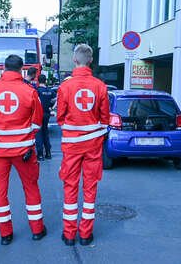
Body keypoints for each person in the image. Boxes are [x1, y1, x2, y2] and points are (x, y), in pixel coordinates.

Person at [0, 55, 47, 245]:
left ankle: (5, 235)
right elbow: (37, 123)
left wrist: (3, 135)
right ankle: (37, 230)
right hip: (24, 152)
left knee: (0, 191)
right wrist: (24, 137)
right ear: (21, 69)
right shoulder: (29, 91)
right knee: (31, 188)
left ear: (4, 68)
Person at [56, 44, 110, 246]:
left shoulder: (65, 86)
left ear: (75, 60)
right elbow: (105, 119)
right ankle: (86, 235)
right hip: (93, 146)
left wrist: (74, 129)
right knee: (90, 188)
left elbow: (60, 117)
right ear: (91, 61)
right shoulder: (100, 86)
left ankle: (69, 235)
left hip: (71, 146)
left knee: (70, 187)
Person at [35, 74, 56, 161]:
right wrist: (52, 107)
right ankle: (48, 153)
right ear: (45, 81)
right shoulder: (50, 91)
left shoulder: (37, 91)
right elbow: (56, 99)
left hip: (39, 114)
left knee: (39, 133)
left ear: (38, 81)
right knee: (45, 132)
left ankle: (40, 155)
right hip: (47, 114)